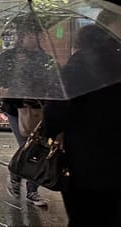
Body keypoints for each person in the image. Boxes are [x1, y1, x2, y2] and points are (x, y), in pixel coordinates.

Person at [43, 25, 121, 225]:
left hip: (84, 161)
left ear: (80, 43)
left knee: (82, 216)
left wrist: (51, 130)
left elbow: (54, 116)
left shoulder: (75, 68)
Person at [0, 21, 57, 208]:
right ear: (22, 37)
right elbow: (1, 78)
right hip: (16, 108)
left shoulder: (45, 59)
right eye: (29, 35)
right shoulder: (9, 56)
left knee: (38, 148)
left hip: (39, 108)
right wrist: (18, 68)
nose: (33, 39)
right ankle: (16, 178)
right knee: (27, 146)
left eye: (36, 35)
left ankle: (32, 189)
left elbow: (51, 81)